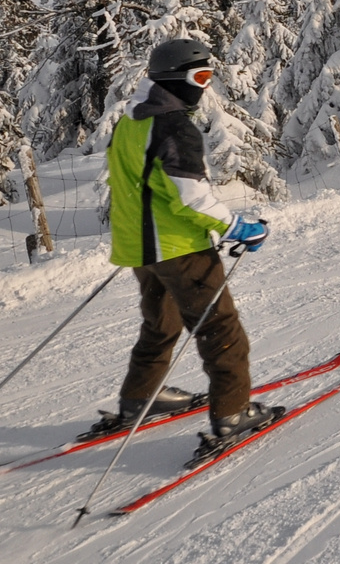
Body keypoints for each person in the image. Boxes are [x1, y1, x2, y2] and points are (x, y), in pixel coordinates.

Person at [86, 37, 277, 459]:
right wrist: (236, 227)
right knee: (221, 330)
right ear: (178, 78)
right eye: (201, 77)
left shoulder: (132, 122)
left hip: (141, 251)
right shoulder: (173, 126)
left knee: (161, 324)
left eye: (210, 77)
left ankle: (143, 397)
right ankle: (232, 412)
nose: (205, 87)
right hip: (179, 250)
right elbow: (188, 195)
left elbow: (136, 187)